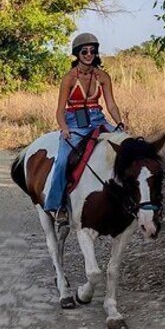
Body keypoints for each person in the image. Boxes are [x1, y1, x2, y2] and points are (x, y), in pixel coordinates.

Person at [45, 32, 125, 226]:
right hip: (74, 122)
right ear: (77, 53)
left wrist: (119, 123)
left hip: (98, 119)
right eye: (84, 51)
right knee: (63, 160)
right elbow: (59, 110)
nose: (89, 54)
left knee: (126, 146)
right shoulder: (69, 79)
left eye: (92, 50)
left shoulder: (103, 77)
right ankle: (59, 206)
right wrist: (64, 129)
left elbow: (111, 105)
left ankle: (129, 199)